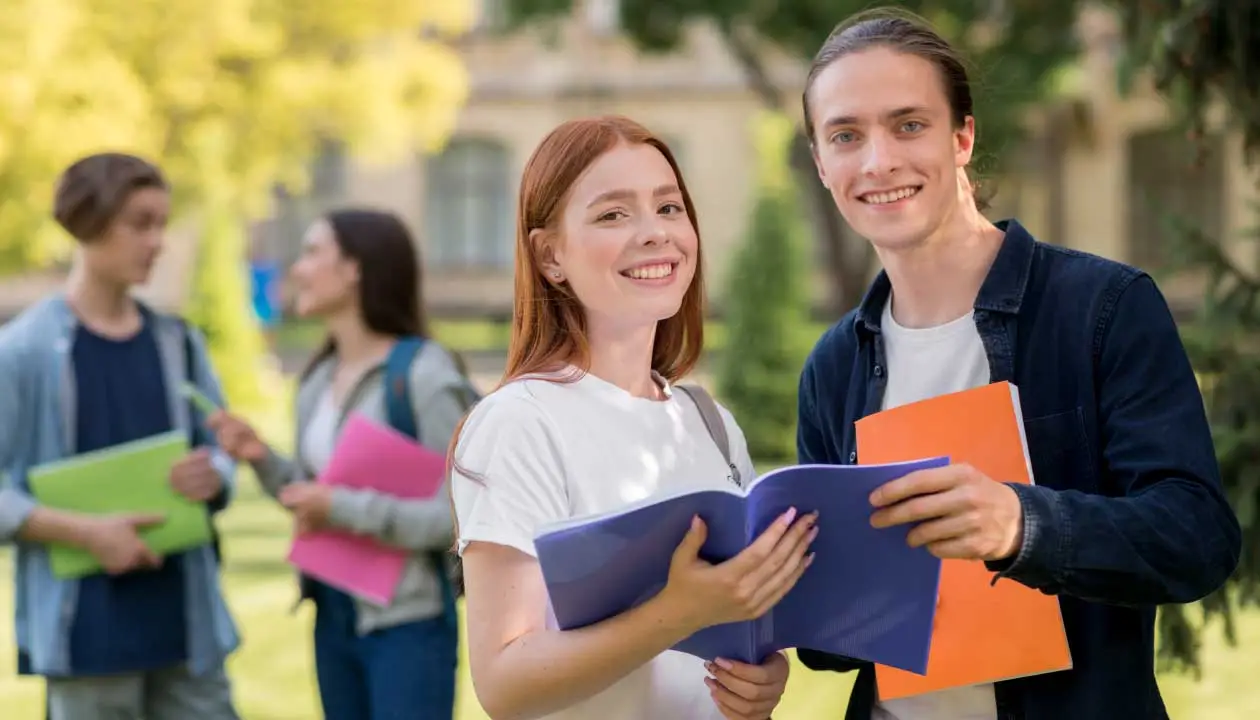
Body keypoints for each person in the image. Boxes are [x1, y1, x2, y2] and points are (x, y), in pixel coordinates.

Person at [793, 8, 1241, 720]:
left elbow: (1196, 539)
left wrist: (1020, 526)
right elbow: (832, 650)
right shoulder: (833, 364)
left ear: (962, 135)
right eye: (846, 135)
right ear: (821, 162)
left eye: (909, 125)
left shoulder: (1103, 307)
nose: (878, 161)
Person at [447, 115, 817, 720]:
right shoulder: (521, 421)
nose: (655, 234)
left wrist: (762, 679)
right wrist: (681, 611)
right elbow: (504, 685)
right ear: (550, 257)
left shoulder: (711, 423)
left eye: (669, 208)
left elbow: (736, 636)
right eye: (613, 214)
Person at [207, 209, 477, 720]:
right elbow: (314, 497)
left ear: (354, 269)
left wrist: (341, 507)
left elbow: (460, 518)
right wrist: (262, 460)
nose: (298, 269)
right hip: (331, 615)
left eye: (312, 253)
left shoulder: (424, 377)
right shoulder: (317, 379)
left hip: (408, 626)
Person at [0, 153, 241, 720]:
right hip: (85, 638)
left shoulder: (178, 343)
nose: (158, 241)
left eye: (162, 222)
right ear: (89, 222)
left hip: (188, 632)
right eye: (141, 223)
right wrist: (85, 533)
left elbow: (222, 452)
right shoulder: (22, 352)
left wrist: (214, 474)